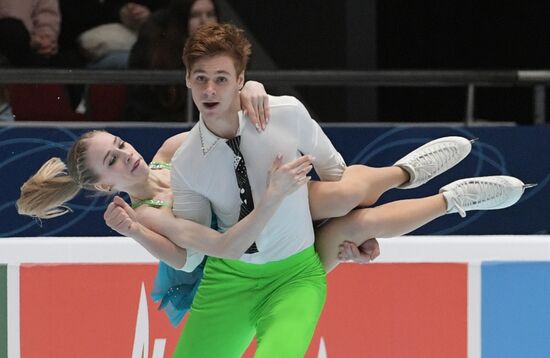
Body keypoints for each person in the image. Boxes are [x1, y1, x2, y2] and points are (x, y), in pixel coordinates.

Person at [166, 23, 528, 357]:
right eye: (201, 79)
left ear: (241, 80)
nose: (210, 90)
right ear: (187, 80)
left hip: (294, 275)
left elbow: (334, 171)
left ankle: (412, 177)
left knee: (344, 197)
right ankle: (443, 194)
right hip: (229, 280)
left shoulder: (286, 113)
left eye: (221, 79)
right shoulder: (186, 165)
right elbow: (198, 249)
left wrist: (319, 211)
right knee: (354, 222)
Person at [126, 0, 219, 121]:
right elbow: (141, 103)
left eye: (210, 14)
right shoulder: (158, 52)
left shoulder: (228, 55)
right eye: (195, 15)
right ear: (182, 20)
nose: (204, 21)